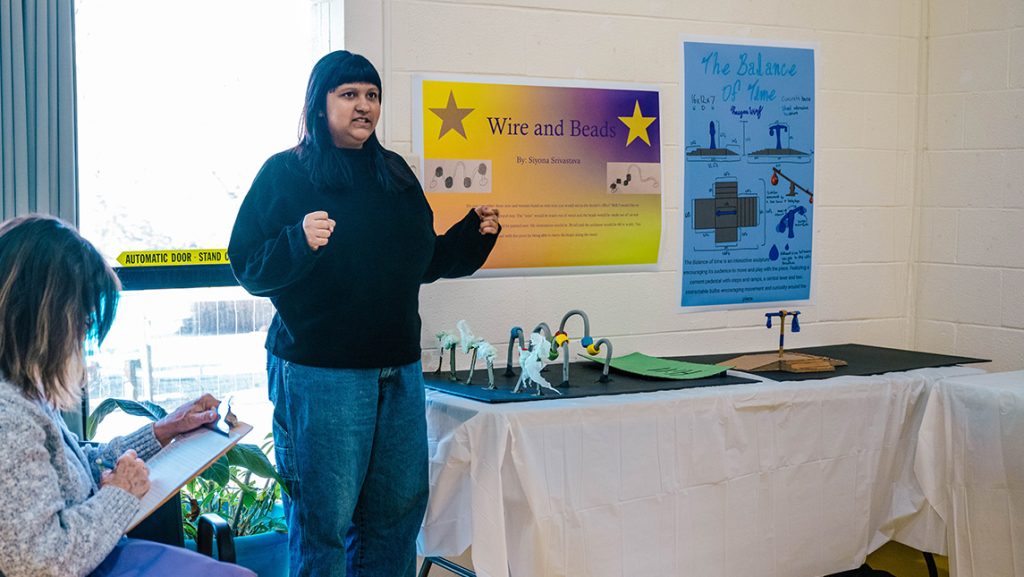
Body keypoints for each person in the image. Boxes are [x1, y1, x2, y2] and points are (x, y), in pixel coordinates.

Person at [228, 50, 500, 577]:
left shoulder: (393, 173)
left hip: (398, 372)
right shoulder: (286, 173)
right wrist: (297, 242)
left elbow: (421, 262)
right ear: (320, 103)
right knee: (323, 524)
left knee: (395, 518)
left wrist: (471, 236)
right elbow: (247, 265)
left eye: (372, 95)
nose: (364, 107)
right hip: (321, 375)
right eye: (349, 95)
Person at [0, 214, 256, 577]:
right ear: (44, 317)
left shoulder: (23, 392)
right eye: (83, 321)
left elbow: (77, 467)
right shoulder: (8, 417)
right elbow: (39, 560)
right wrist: (120, 493)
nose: (83, 335)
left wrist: (163, 431)